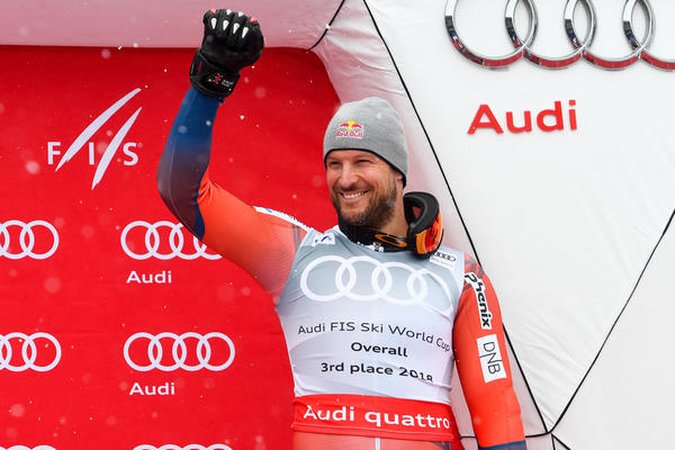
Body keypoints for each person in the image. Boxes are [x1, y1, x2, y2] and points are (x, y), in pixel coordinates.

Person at [158, 8, 527, 450]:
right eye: (334, 164)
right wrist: (210, 83)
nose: (345, 178)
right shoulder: (294, 254)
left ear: (398, 174)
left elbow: (497, 408)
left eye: (362, 161)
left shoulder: (460, 274)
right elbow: (183, 192)